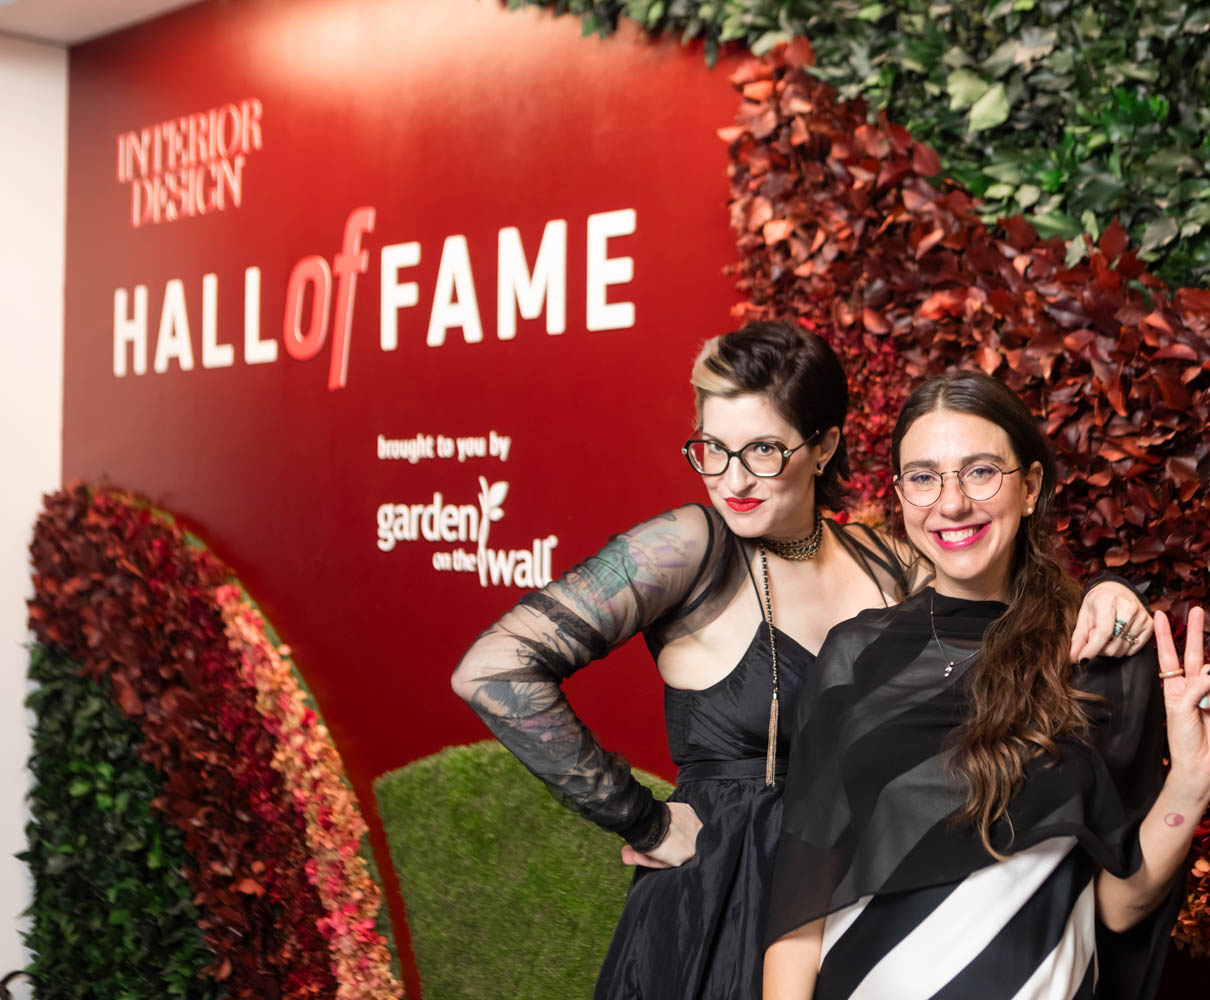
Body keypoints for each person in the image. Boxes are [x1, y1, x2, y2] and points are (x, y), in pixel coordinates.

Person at [449, 323, 1154, 1000]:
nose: (733, 480)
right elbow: (494, 668)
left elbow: (995, 585)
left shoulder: (887, 561)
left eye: (762, 450)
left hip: (850, 893)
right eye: (712, 450)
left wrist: (1109, 592)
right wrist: (642, 820)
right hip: (721, 895)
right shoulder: (692, 547)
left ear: (824, 448)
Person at [763, 370, 1210, 1000]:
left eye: (980, 471)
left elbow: (1121, 906)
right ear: (901, 496)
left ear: (1031, 486)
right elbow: (801, 900)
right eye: (924, 477)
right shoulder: (856, 654)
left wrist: (1193, 782)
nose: (950, 503)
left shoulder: (1096, 652)